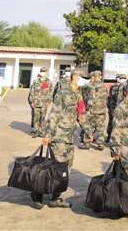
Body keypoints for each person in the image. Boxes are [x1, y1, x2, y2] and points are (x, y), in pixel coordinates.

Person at [36, 69, 93, 209]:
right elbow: (54, 114)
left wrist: (88, 131)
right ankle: (37, 193)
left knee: (65, 170)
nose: (85, 80)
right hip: (59, 137)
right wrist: (47, 134)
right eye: (83, 77)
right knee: (54, 168)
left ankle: (56, 197)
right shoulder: (63, 93)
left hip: (69, 138)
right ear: (74, 77)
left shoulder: (78, 94)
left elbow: (81, 114)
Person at [84, 70, 108, 151]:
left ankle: (87, 143)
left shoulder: (92, 86)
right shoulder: (104, 86)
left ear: (93, 77)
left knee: (90, 127)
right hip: (102, 111)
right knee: (100, 128)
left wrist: (88, 109)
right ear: (100, 77)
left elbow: (91, 99)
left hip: (93, 110)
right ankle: (100, 145)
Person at [28, 67, 53, 138]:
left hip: (44, 103)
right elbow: (32, 92)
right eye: (42, 71)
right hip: (36, 103)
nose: (43, 73)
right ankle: (35, 131)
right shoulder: (36, 81)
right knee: (36, 118)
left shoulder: (49, 82)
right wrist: (31, 102)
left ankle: (41, 131)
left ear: (46, 72)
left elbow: (51, 92)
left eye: (44, 71)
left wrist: (49, 101)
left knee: (42, 118)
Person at [78, 72, 96, 150]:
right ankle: (85, 139)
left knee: (87, 124)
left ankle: (86, 139)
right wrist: (88, 109)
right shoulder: (88, 86)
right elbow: (87, 98)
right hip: (86, 107)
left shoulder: (90, 86)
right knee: (87, 123)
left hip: (89, 108)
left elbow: (90, 98)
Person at [106, 73, 125, 143]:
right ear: (117, 78)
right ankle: (109, 135)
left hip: (121, 107)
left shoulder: (125, 87)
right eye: (121, 78)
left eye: (124, 78)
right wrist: (109, 107)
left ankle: (119, 138)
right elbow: (110, 97)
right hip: (113, 107)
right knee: (111, 122)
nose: (123, 80)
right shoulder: (113, 87)